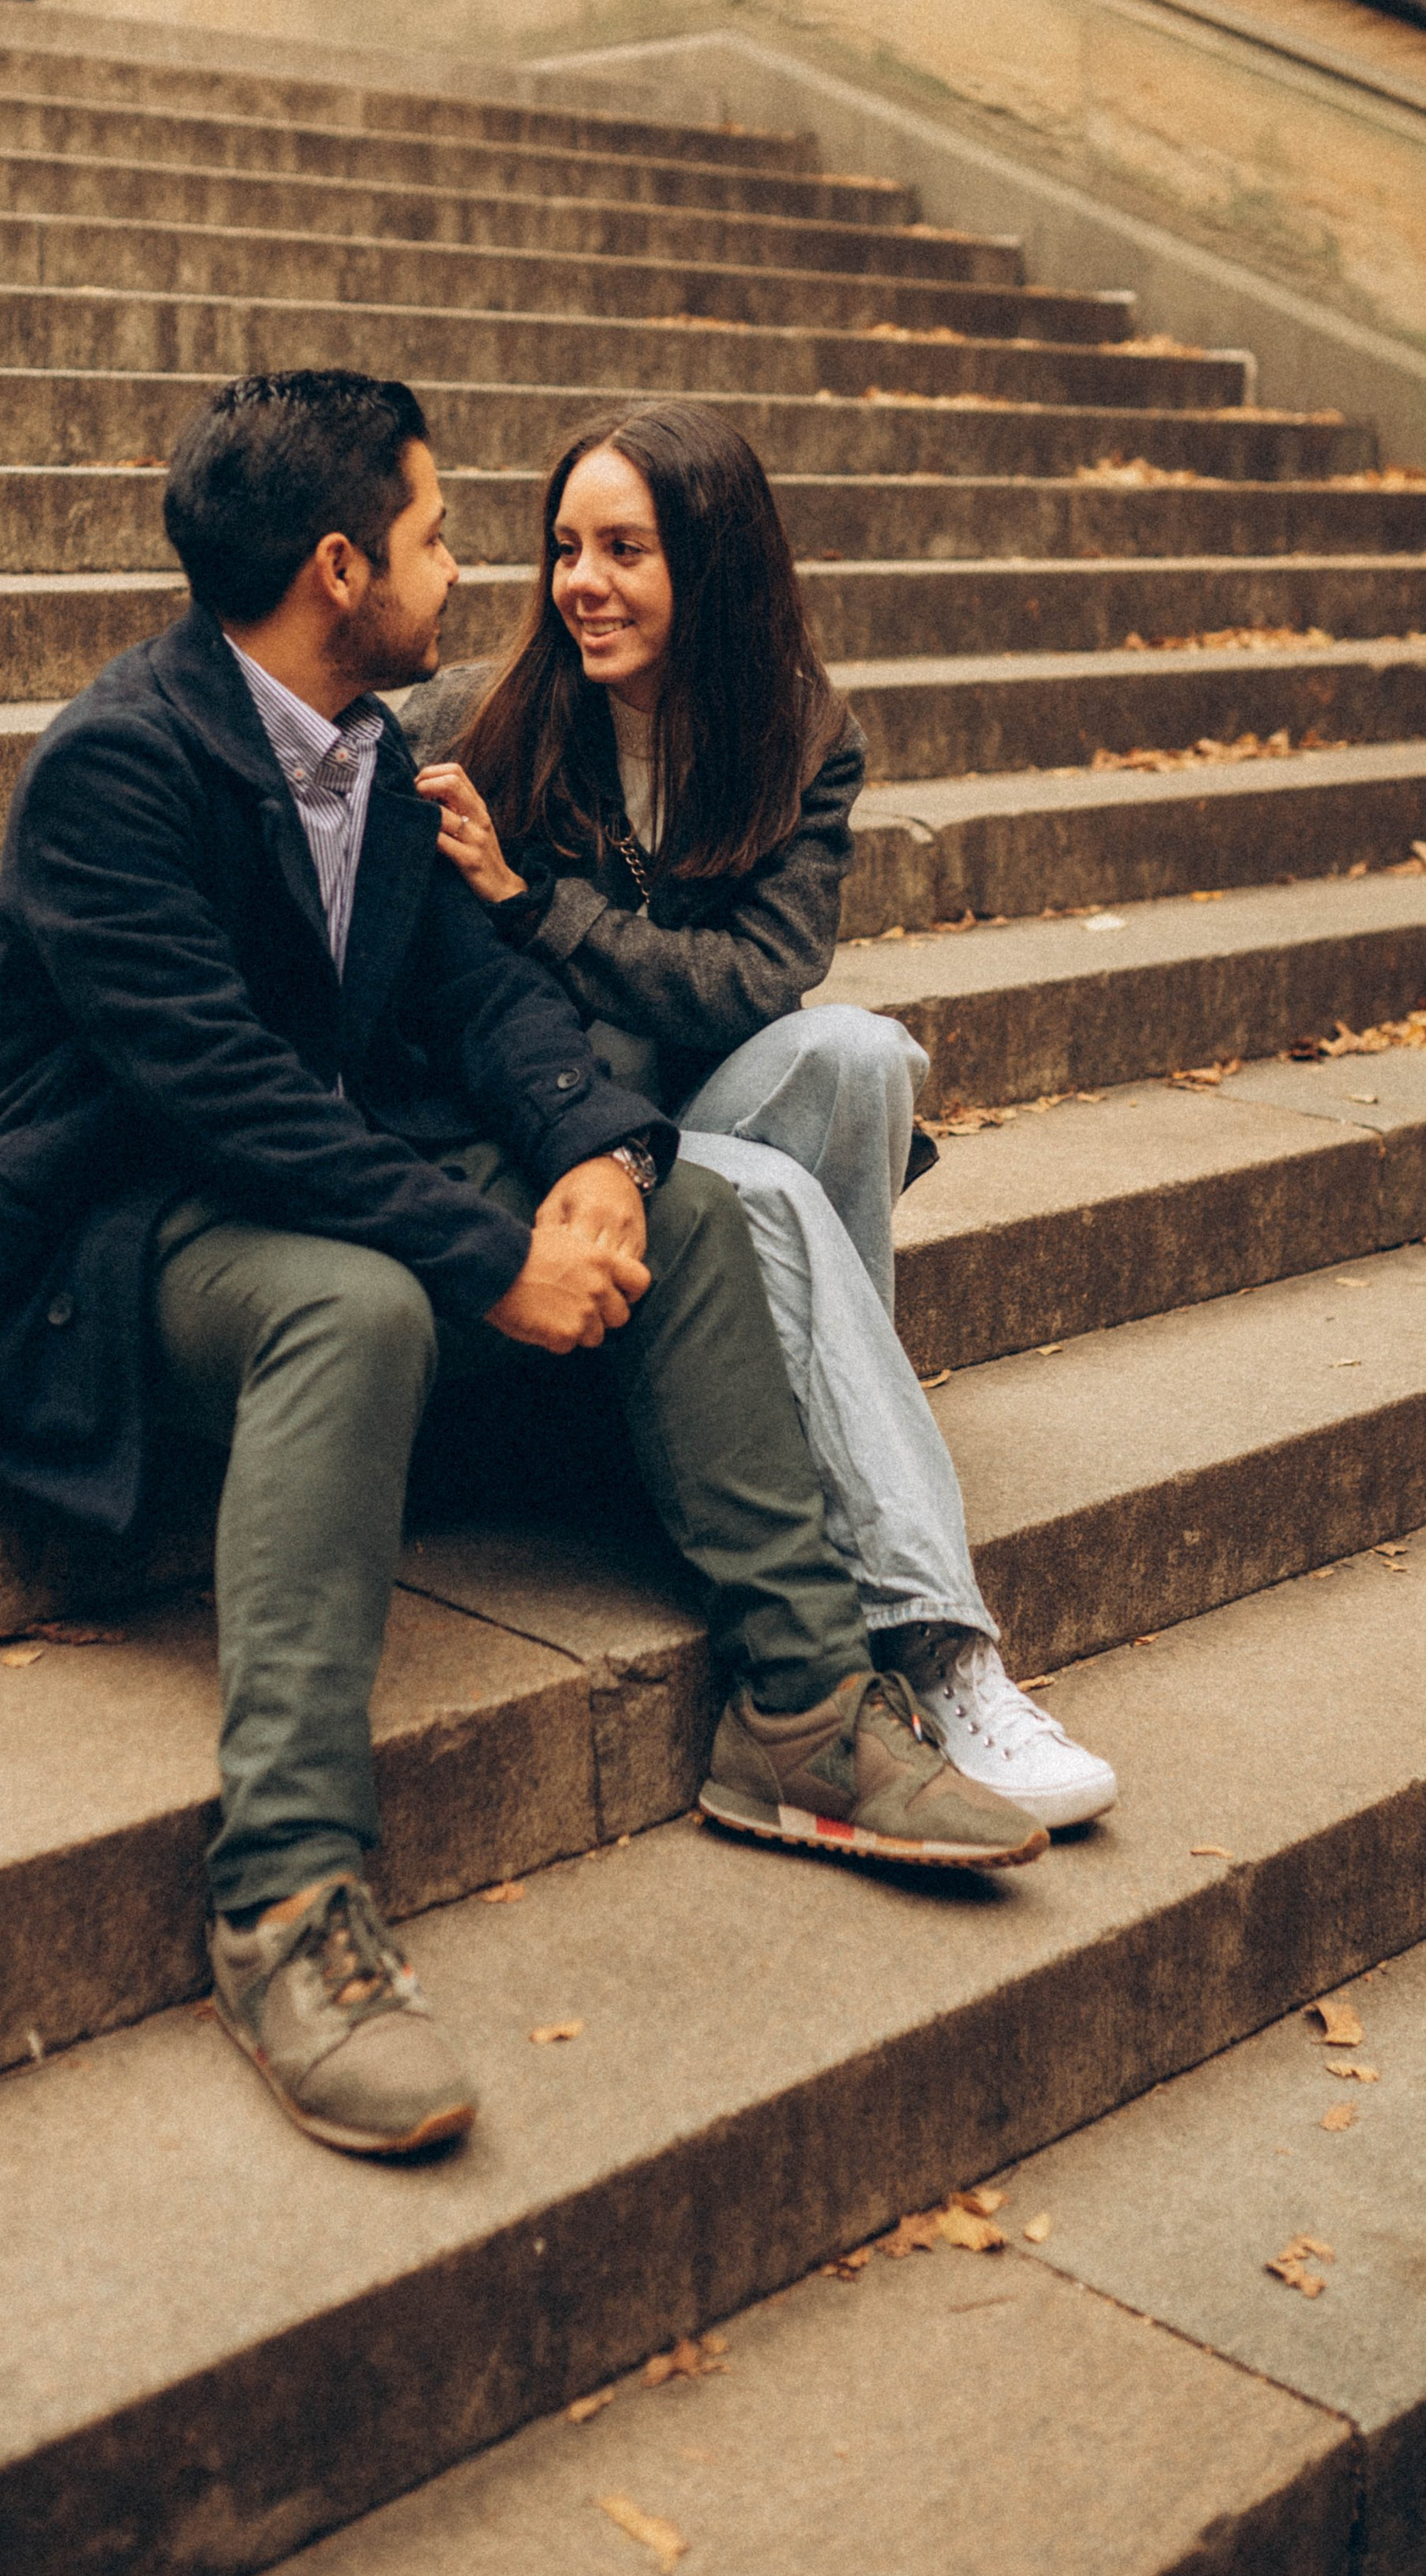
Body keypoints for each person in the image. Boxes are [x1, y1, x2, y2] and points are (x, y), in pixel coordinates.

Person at [0, 369, 1048, 2169]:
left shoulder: (383, 743)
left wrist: (592, 1155)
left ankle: (801, 1714)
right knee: (344, 1304)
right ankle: (284, 1897)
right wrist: (493, 1250)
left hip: (340, 1186)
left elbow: (490, 1003)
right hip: (127, 1241)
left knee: (706, 1201)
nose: (468, 565)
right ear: (341, 565)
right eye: (438, 533)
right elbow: (227, 1100)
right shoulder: (116, 767)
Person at [399, 400, 1116, 1832]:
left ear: (712, 563)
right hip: (562, 1141)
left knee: (856, 1055)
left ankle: (811, 1459)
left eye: (624, 549)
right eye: (564, 548)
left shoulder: (797, 736)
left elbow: (755, 984)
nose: (580, 583)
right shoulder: (482, 717)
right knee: (763, 1194)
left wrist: (538, 907)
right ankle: (934, 1641)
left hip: (708, 1092)